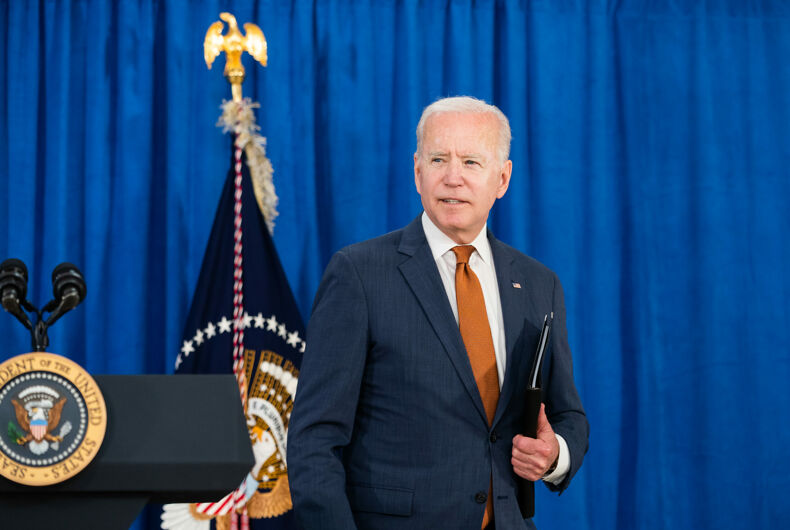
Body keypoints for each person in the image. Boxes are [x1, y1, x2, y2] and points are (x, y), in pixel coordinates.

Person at [287, 96, 588, 529]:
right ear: (417, 171)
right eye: (438, 159)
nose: (453, 178)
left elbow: (568, 416)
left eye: (470, 162)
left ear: (502, 178)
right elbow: (314, 439)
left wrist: (555, 454)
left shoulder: (540, 284)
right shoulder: (359, 274)